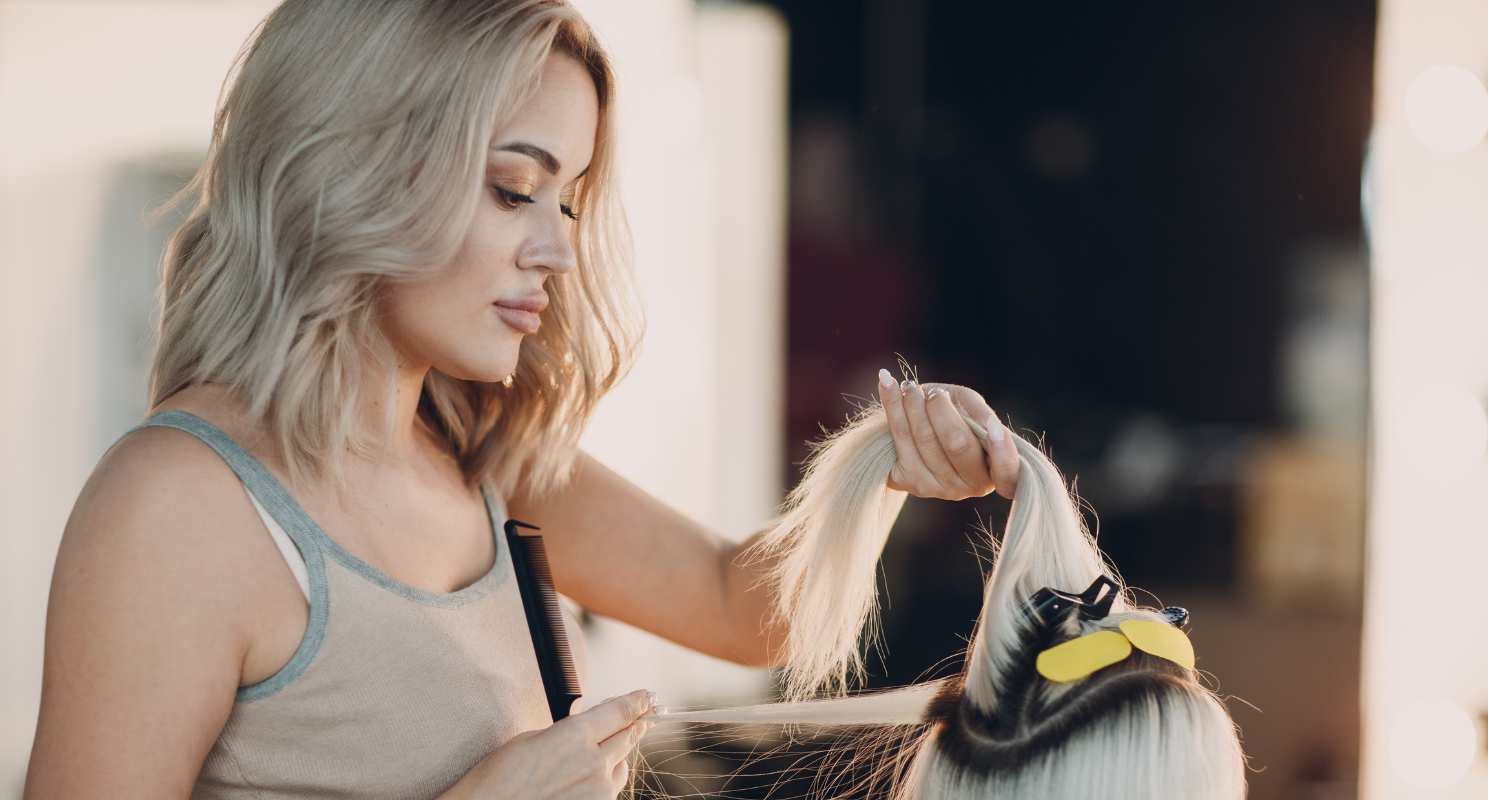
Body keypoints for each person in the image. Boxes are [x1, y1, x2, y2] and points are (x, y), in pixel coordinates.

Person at [22, 2, 1015, 798]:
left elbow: (744, 607)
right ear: (352, 166)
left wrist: (884, 463)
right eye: (511, 189)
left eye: (570, 198)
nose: (557, 248)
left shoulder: (485, 457)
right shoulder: (179, 508)